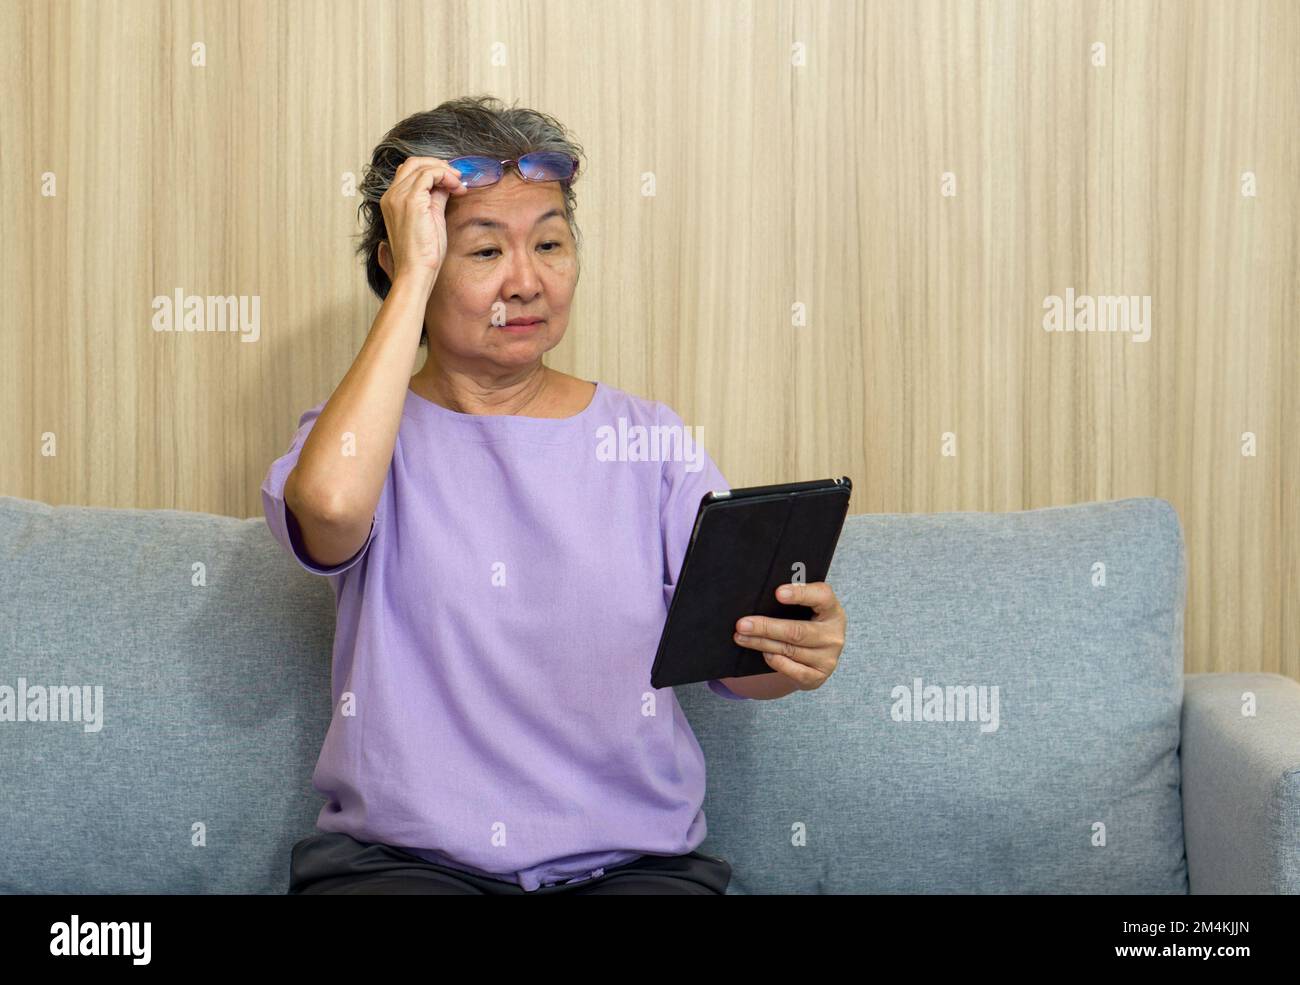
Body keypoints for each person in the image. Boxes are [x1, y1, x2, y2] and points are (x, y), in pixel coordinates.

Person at [262, 95, 847, 895]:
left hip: (631, 868)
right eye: (482, 251)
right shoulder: (362, 441)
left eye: (549, 242)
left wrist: (792, 650)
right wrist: (411, 281)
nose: (527, 281)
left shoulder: (650, 442)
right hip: (402, 867)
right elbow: (327, 509)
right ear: (410, 261)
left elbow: (741, 664)